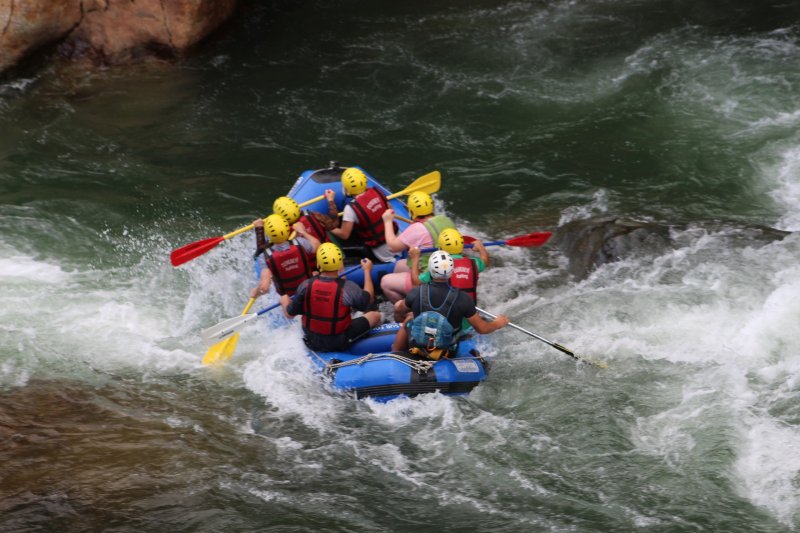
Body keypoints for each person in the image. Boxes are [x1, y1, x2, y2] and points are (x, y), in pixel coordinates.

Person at [391, 250, 508, 359]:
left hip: (417, 346)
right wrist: (498, 323)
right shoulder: (463, 298)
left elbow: (399, 309)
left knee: (408, 319)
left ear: (430, 270)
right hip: (447, 352)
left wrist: (403, 314)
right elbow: (482, 329)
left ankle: (395, 354)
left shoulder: (416, 293)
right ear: (451, 272)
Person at [283, 242, 382, 352]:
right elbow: (368, 300)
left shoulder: (305, 285)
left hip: (311, 340)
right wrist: (367, 271)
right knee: (375, 315)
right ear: (340, 265)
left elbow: (289, 314)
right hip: (338, 341)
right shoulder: (348, 288)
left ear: (319, 265)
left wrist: (284, 301)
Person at [379, 191, 457, 302]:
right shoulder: (445, 220)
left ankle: (407, 308)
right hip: (450, 271)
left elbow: (392, 247)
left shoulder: (418, 229)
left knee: (385, 282)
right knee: (399, 265)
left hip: (430, 278)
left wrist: (387, 221)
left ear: (411, 211)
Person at [250, 214, 321, 308]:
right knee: (315, 273)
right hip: (309, 289)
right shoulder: (300, 242)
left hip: (290, 299)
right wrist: (303, 232)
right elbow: (317, 246)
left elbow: (264, 288)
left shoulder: (265, 256)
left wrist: (256, 292)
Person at [328, 167, 397, 263]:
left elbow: (344, 235)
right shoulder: (377, 192)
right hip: (397, 242)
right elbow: (391, 211)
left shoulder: (350, 208)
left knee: (335, 233)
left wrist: (328, 227)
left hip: (381, 254)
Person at [412, 228, 488, 303]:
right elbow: (485, 262)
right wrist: (481, 248)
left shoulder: (438, 266)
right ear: (461, 248)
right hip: (469, 311)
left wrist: (415, 258)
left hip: (447, 311)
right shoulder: (474, 263)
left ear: (440, 248)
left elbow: (416, 282)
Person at [272, 195, 337, 245]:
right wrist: (331, 201)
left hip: (312, 261)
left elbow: (268, 251)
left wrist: (261, 228)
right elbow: (333, 224)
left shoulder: (283, 233)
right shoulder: (312, 215)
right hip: (330, 253)